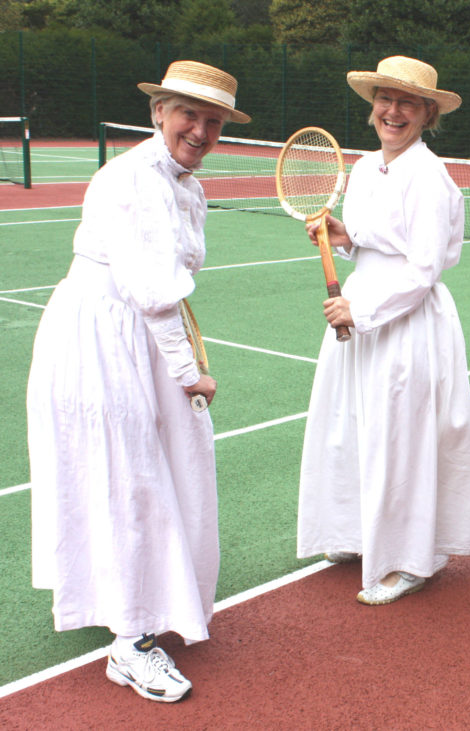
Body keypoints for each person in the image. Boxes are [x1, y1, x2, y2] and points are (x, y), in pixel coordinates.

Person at [26, 61, 250, 702]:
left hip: (135, 334)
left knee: (163, 465)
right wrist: (190, 374)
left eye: (213, 121)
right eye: (190, 115)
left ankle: (143, 600)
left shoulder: (183, 183)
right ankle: (130, 643)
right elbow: (153, 294)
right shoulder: (133, 179)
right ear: (159, 113)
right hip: (102, 337)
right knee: (128, 478)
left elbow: (166, 288)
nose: (201, 130)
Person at [296, 56, 470, 605]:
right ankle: (357, 533)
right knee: (353, 426)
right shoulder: (364, 166)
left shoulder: (429, 176)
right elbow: (377, 240)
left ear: (427, 113)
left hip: (403, 323)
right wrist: (343, 234)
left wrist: (364, 313)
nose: (392, 111)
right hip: (359, 310)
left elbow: (422, 270)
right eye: (385, 99)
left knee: (402, 439)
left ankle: (410, 558)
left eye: (406, 103)